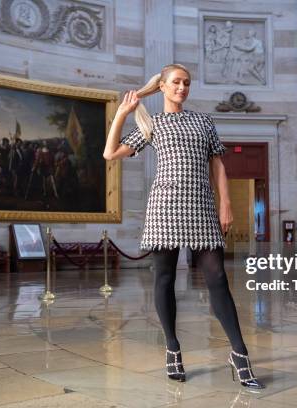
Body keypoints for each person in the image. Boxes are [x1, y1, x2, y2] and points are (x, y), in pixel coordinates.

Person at [102, 64, 264, 389]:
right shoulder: (153, 124)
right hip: (164, 207)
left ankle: (239, 353)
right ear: (162, 86)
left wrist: (226, 203)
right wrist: (123, 111)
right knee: (164, 278)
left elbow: (217, 163)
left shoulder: (203, 121)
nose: (182, 88)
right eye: (176, 82)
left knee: (217, 277)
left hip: (202, 206)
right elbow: (110, 153)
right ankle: (172, 347)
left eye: (186, 83)